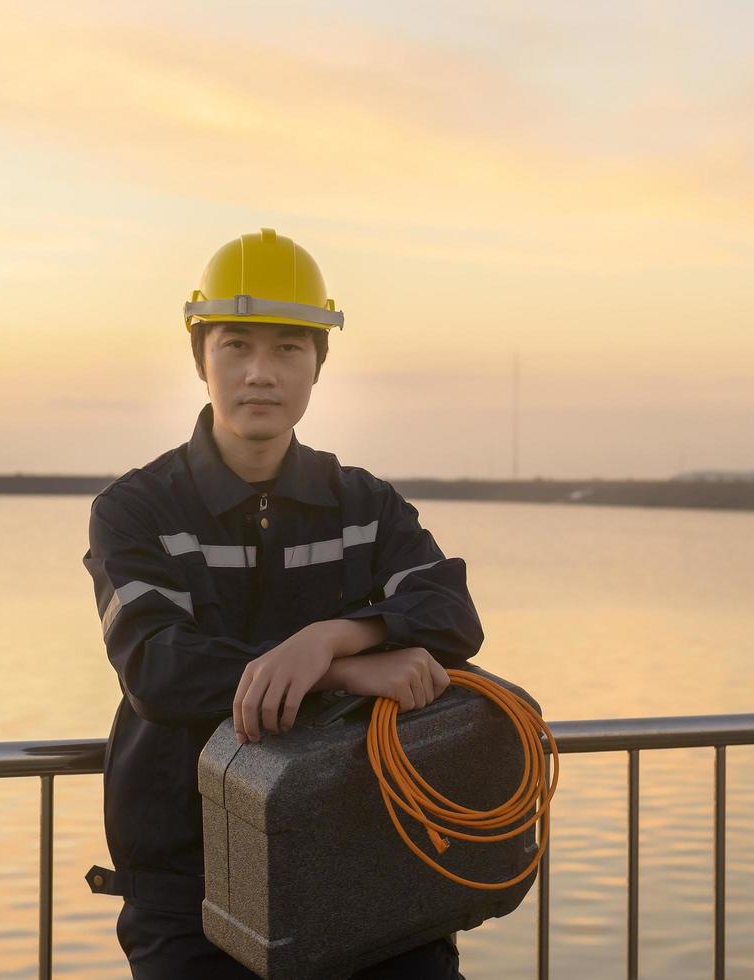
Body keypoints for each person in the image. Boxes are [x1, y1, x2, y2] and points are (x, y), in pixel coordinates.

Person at [82, 228, 482, 979]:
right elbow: (159, 668)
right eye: (235, 345)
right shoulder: (136, 510)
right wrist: (346, 672)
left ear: (317, 366)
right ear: (200, 359)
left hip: (360, 861)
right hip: (188, 884)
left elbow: (451, 613)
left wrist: (337, 634)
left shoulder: (361, 504)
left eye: (288, 348)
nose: (260, 373)